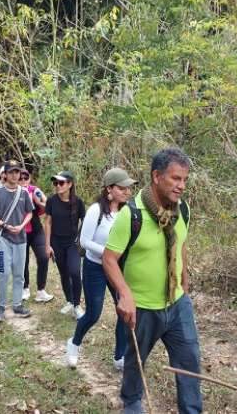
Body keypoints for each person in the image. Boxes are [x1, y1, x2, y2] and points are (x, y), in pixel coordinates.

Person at [103, 148, 201, 414]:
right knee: (136, 364)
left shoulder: (183, 211)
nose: (181, 186)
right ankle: (132, 404)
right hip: (143, 308)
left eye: (185, 180)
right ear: (156, 176)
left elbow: (180, 245)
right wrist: (125, 294)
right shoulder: (131, 215)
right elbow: (109, 258)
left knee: (190, 364)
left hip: (177, 304)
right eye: (175, 178)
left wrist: (184, 280)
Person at [66, 168, 136, 370]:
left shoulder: (127, 211)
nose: (126, 192)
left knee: (124, 311)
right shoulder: (96, 210)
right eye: (122, 188)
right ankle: (74, 343)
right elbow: (84, 241)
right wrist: (108, 252)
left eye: (128, 188)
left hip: (117, 269)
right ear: (109, 189)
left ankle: (119, 356)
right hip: (95, 267)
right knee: (93, 314)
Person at [0, 160, 34, 322]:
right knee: (3, 272)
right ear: (5, 174)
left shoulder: (24, 193)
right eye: (11, 172)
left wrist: (22, 225)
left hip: (20, 239)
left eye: (17, 172)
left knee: (19, 273)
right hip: (3, 238)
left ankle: (17, 305)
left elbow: (30, 212)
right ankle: (0, 306)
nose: (15, 175)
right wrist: (4, 225)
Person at [45, 170, 86, 319]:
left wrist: (82, 239)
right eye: (55, 183)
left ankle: (76, 305)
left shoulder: (78, 201)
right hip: (56, 242)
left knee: (75, 272)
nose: (57, 185)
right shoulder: (51, 201)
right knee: (64, 273)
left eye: (61, 183)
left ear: (70, 184)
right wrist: (47, 245)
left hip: (72, 243)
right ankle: (69, 301)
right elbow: (48, 222)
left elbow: (85, 221)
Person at [19, 169, 53, 302]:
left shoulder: (35, 190)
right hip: (20, 231)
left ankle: (41, 290)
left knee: (44, 257)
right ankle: (24, 288)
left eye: (25, 178)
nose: (23, 180)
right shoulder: (13, 192)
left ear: (29, 178)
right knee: (23, 261)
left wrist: (37, 202)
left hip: (36, 229)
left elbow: (48, 206)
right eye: (20, 178)